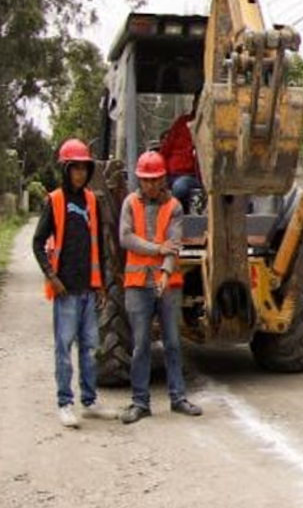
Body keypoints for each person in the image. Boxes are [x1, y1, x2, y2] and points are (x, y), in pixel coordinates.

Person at [32, 139, 118, 428]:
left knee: (91, 348)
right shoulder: (55, 200)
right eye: (75, 168)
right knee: (64, 348)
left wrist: (102, 284)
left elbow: (99, 245)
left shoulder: (92, 200)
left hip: (88, 290)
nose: (80, 173)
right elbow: (37, 242)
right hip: (66, 290)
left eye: (84, 167)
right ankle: (65, 403)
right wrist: (51, 277)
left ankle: (90, 401)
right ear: (66, 170)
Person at [119, 150, 202, 424]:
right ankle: (140, 402)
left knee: (173, 343)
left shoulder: (175, 206)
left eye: (155, 180)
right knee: (141, 345)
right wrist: (158, 249)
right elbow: (126, 238)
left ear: (163, 179)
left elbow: (174, 243)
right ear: (139, 180)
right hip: (137, 284)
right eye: (146, 180)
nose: (151, 185)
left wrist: (166, 271)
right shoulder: (130, 203)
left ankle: (178, 398)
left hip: (168, 285)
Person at [159, 90, 202, 213]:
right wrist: (161, 175)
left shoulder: (212, 127)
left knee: (180, 187)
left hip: (193, 177)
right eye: (198, 101)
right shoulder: (182, 123)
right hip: (172, 174)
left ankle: (179, 217)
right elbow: (165, 150)